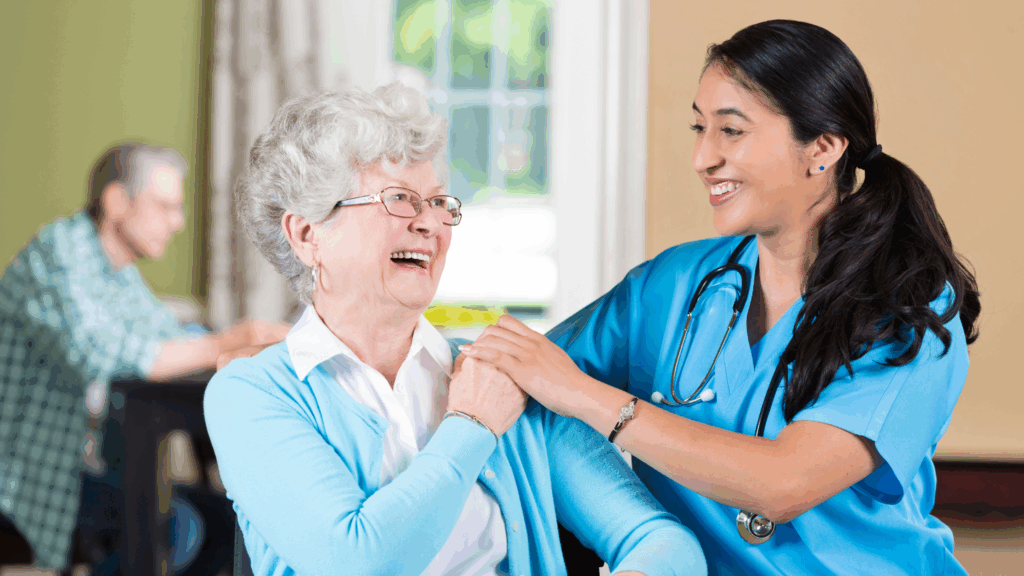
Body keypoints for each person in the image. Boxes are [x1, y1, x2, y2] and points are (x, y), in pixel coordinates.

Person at [460, 20, 980, 575]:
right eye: (699, 127)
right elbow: (520, 383)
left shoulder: (910, 313)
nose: (702, 158)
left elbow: (783, 483)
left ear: (823, 148)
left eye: (731, 131)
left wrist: (581, 394)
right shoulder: (673, 286)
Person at [204, 83, 706, 576]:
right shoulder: (251, 394)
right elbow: (357, 561)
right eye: (399, 199)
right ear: (307, 234)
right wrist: (473, 424)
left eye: (439, 203)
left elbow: (664, 543)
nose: (429, 224)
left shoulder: (507, 377)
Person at [0, 142, 289, 571]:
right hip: (29, 477)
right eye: (165, 207)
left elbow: (165, 336)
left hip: (82, 467)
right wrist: (229, 340)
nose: (178, 222)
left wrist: (235, 342)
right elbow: (114, 356)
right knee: (174, 527)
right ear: (118, 201)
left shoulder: (117, 270)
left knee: (233, 524)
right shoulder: (59, 251)